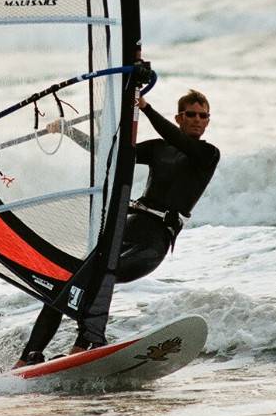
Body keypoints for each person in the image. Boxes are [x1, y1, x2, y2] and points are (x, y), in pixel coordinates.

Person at [13, 89, 220, 367]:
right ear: (179, 117)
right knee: (69, 281)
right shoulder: (158, 148)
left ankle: (83, 345)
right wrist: (68, 131)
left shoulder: (207, 154)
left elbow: (177, 139)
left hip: (153, 242)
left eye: (203, 115)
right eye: (191, 114)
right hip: (129, 228)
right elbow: (111, 153)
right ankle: (27, 357)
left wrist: (144, 107)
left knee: (103, 277)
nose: (197, 120)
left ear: (208, 121)